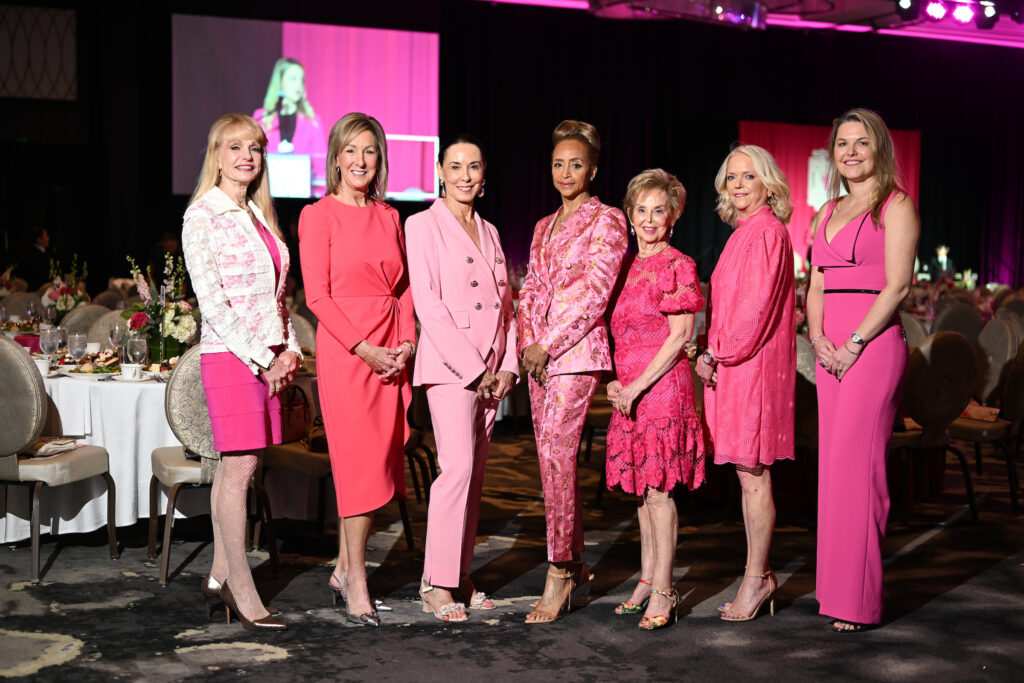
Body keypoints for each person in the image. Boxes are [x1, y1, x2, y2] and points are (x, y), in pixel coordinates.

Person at [181, 113, 303, 631]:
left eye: (254, 147)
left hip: (268, 357)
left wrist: (291, 347)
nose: (247, 155)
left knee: (241, 469)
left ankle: (215, 577)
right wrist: (263, 358)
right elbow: (215, 306)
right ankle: (240, 589)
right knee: (240, 469)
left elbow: (279, 299)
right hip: (231, 358)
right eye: (235, 147)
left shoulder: (256, 212)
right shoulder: (202, 216)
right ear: (216, 154)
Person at [298, 112, 415, 628]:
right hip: (348, 352)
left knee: (383, 458)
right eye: (351, 150)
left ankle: (345, 568)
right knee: (358, 463)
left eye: (369, 151)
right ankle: (357, 578)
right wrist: (364, 348)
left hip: (391, 347)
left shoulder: (390, 216)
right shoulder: (317, 215)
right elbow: (317, 297)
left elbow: (405, 286)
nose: (360, 161)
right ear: (336, 157)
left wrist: (407, 340)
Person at [807, 108, 919, 632]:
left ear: (880, 150)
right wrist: (817, 337)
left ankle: (858, 600)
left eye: (862, 143)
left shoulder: (896, 205)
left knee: (860, 471)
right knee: (834, 471)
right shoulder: (825, 211)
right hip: (831, 349)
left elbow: (897, 285)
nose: (851, 152)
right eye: (843, 143)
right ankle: (833, 591)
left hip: (871, 348)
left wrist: (852, 343)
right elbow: (815, 284)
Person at [516, 119, 628, 624]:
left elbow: (594, 295)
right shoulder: (543, 225)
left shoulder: (608, 220)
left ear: (593, 168)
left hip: (576, 353)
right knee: (548, 463)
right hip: (539, 357)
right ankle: (577, 563)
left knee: (559, 459)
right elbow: (531, 290)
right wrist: (526, 345)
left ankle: (559, 569)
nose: (565, 172)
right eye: (559, 163)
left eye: (575, 164)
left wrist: (547, 343)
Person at [405, 134, 519, 622]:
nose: (465, 175)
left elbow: (507, 305)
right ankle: (435, 581)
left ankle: (460, 572)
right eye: (456, 166)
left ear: (484, 173)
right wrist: (475, 371)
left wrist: (508, 365)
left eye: (474, 166)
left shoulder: (490, 230)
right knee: (455, 471)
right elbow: (428, 307)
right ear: (439, 170)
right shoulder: (421, 224)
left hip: (492, 369)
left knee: (473, 478)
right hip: (454, 369)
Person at [696, 145, 796, 623]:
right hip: (733, 368)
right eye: (731, 176)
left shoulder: (767, 233)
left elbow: (755, 313)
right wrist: (709, 349)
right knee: (745, 474)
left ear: (767, 184)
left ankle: (757, 579)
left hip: (750, 369)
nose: (737, 184)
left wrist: (718, 352)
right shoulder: (743, 233)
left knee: (754, 475)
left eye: (747, 177)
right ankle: (760, 574)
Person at [605, 169, 705, 630]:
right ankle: (646, 579)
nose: (648, 219)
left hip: (661, 389)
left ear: (673, 217)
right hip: (630, 389)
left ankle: (665, 588)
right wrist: (616, 383)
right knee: (643, 494)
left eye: (657, 211)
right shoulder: (626, 267)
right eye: (640, 210)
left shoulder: (677, 264)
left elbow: (680, 335)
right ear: (629, 216)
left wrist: (637, 386)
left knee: (660, 493)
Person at [254, 58, 328, 193]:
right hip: (267, 198)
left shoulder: (312, 121)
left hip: (302, 199)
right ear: (280, 82)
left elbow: (321, 168)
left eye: (301, 80)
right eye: (293, 79)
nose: (298, 85)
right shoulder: (262, 118)